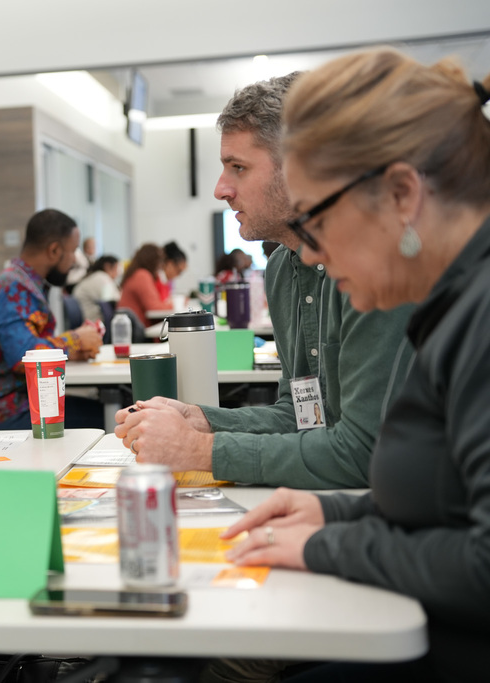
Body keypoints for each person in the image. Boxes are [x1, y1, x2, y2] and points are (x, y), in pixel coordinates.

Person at [223, 48, 490, 682]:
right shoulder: (456, 304)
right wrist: (337, 513)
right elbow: (446, 502)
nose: (310, 255)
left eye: (316, 220)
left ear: (402, 194)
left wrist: (328, 544)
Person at [114, 71, 415, 489]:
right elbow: (301, 414)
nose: (221, 189)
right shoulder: (281, 269)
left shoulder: (378, 264)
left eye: (238, 167)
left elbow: (365, 452)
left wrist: (199, 451)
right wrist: (201, 420)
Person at [0, 209, 103, 430]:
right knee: (108, 416)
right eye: (73, 251)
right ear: (54, 250)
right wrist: (76, 339)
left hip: (24, 402)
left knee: (105, 410)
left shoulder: (21, 283)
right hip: (7, 412)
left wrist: (72, 349)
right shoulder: (10, 287)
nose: (75, 261)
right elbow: (22, 356)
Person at [117, 243, 171, 326]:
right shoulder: (142, 275)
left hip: (132, 324)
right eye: (159, 261)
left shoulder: (135, 273)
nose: (161, 265)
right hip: (138, 327)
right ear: (152, 260)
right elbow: (154, 307)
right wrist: (173, 305)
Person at [72, 255, 121, 321]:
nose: (118, 273)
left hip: (88, 319)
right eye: (117, 268)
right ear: (107, 266)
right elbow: (112, 300)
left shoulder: (95, 277)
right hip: (93, 321)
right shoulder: (102, 277)